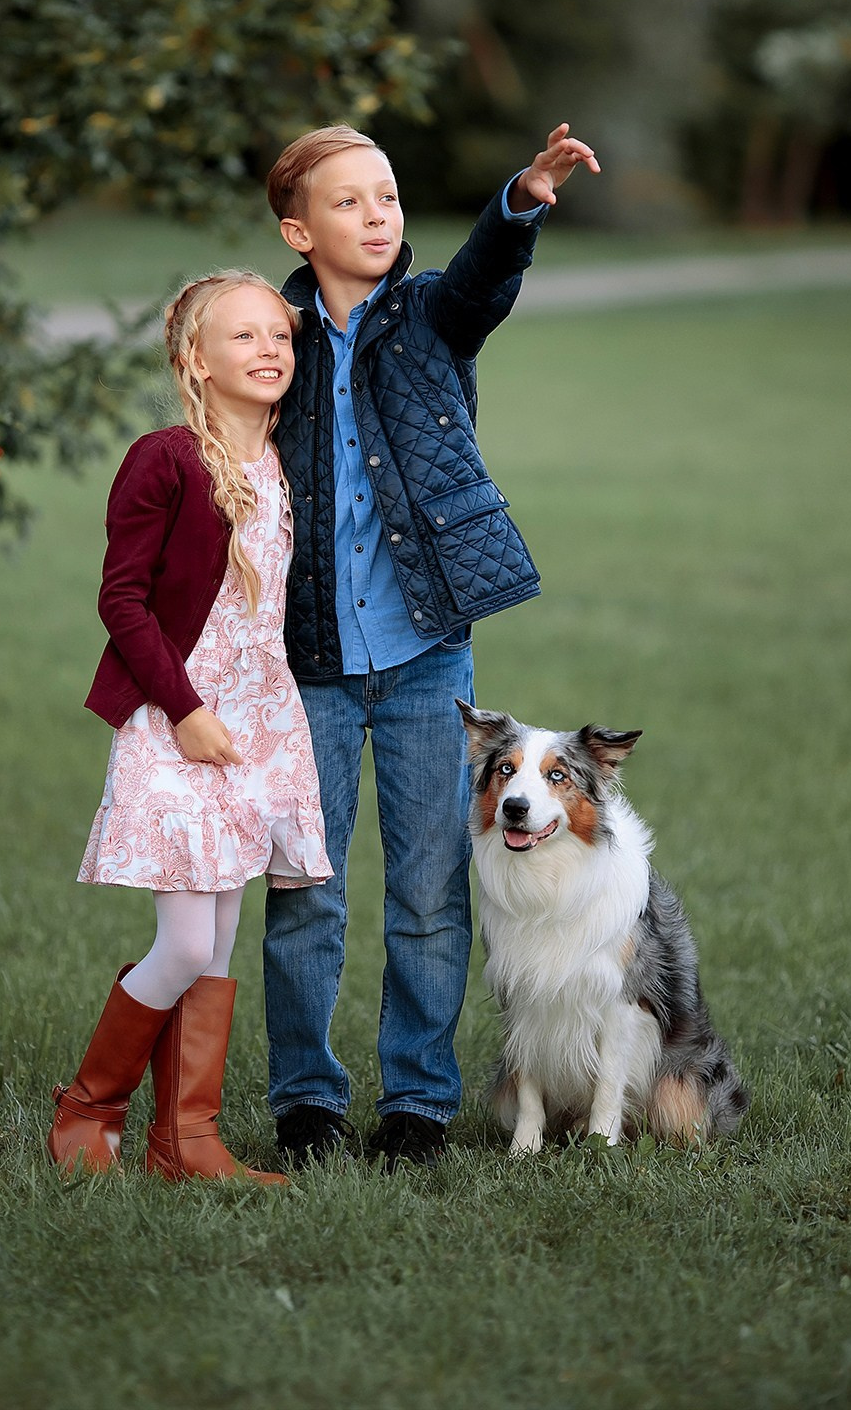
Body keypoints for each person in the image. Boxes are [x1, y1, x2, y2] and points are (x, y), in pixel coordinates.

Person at [262, 120, 600, 1170]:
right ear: (296, 228)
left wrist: (523, 200)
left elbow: (481, 283)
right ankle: (306, 1102)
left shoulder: (425, 318)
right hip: (307, 662)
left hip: (422, 661)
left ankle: (415, 1104)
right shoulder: (270, 338)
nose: (376, 216)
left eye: (388, 197)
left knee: (424, 895)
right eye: (349, 201)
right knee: (303, 896)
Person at [49, 271, 332, 1182]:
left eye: (279, 337)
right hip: (179, 718)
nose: (268, 351)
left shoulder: (286, 462)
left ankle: (189, 1140)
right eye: (243, 338)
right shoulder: (167, 458)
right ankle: (89, 1108)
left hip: (256, 726)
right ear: (196, 360)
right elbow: (121, 600)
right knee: (182, 942)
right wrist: (186, 711)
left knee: (217, 943)